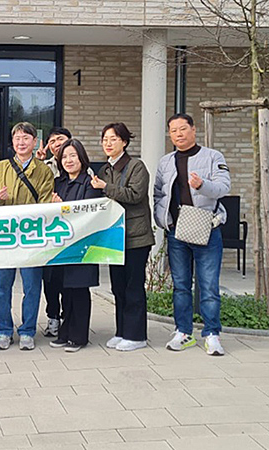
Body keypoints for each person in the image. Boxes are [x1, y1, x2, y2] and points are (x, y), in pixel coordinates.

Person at [154, 113, 231, 356]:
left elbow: (224, 187)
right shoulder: (165, 162)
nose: (178, 134)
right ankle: (183, 332)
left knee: (208, 286)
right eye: (173, 130)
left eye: (183, 129)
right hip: (177, 231)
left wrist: (202, 186)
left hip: (206, 228)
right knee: (180, 286)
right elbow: (158, 194)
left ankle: (211, 334)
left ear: (193, 130)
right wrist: (162, 221)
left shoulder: (212, 157)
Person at [0, 122, 54, 351]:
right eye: (17, 138)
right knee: (2, 285)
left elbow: (46, 201)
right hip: (6, 236)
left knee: (32, 285)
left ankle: (28, 330)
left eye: (26, 138)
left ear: (34, 142)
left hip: (32, 237)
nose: (21, 143)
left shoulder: (43, 170)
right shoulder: (1, 167)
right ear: (12, 142)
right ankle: (3, 330)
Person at [91, 122, 155, 352]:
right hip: (114, 237)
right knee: (118, 287)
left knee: (133, 286)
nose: (108, 143)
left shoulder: (137, 166)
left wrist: (105, 187)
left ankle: (137, 336)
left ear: (125, 142)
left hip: (136, 237)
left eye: (113, 139)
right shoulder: (104, 170)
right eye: (105, 139)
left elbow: (135, 195)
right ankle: (122, 331)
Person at [47, 139, 103, 352]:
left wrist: (62, 207)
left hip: (82, 246)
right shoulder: (58, 182)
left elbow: (87, 215)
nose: (68, 160)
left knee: (79, 291)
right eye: (64, 157)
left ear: (81, 158)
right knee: (65, 292)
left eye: (73, 156)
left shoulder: (90, 183)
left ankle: (79, 337)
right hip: (62, 247)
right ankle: (65, 332)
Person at [36, 127, 71, 338]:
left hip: (71, 233)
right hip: (47, 233)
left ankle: (69, 318)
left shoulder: (80, 164)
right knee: (49, 279)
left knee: (67, 279)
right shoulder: (44, 166)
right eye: (53, 141)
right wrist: (38, 162)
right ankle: (52, 318)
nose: (57, 143)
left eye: (61, 139)